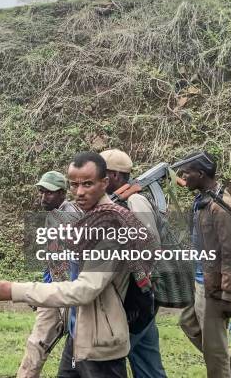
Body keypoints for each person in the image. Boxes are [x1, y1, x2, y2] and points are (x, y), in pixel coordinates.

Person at [0, 152, 156, 378]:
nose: (79, 192)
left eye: (87, 184)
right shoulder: (87, 219)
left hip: (101, 343)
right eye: (74, 184)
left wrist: (16, 290)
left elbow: (85, 289)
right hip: (79, 333)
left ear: (105, 182)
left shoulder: (109, 227)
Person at [177, 151, 231, 378]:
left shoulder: (221, 207)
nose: (183, 176)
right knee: (188, 322)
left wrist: (228, 296)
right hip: (202, 281)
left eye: (187, 172)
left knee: (215, 352)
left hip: (215, 288)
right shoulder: (203, 200)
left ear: (200, 174)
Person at [100, 149, 167, 378]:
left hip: (136, 295)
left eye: (103, 174)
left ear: (116, 176)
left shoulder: (135, 200)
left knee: (111, 358)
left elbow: (150, 246)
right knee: (146, 359)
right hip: (135, 296)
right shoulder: (115, 202)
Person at [17, 171, 82, 378]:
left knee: (38, 346)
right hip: (57, 291)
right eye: (41, 192)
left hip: (67, 294)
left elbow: (74, 260)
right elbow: (53, 261)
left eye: (49, 193)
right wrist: (43, 289)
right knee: (38, 347)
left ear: (63, 193)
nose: (43, 197)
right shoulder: (55, 215)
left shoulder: (68, 216)